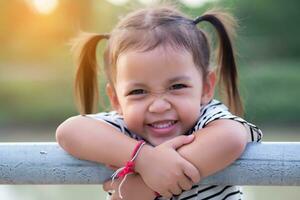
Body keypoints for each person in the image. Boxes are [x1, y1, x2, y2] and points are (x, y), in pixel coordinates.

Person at [56, 4, 262, 200]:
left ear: (206, 87)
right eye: (138, 91)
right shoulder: (122, 128)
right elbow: (68, 132)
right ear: (116, 100)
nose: (159, 106)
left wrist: (144, 187)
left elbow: (231, 137)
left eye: (177, 87)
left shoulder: (206, 119)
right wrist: (144, 159)